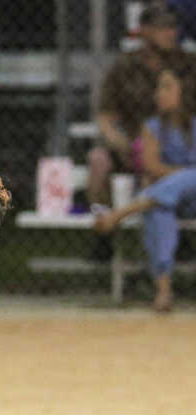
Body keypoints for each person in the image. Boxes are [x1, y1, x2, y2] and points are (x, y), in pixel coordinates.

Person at [94, 64, 196, 311]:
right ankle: (164, 291)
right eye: (158, 87)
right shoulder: (152, 127)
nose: (158, 94)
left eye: (167, 87)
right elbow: (152, 166)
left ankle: (121, 213)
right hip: (168, 198)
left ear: (186, 92)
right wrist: (185, 175)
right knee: (158, 211)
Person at [86, 1, 190, 209]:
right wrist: (123, 143)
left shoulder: (188, 64)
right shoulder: (125, 67)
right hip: (133, 147)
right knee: (98, 160)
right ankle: (104, 230)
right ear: (145, 31)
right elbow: (106, 116)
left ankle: (181, 234)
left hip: (178, 148)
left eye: (174, 27)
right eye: (163, 27)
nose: (171, 33)